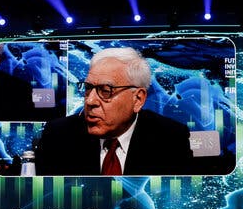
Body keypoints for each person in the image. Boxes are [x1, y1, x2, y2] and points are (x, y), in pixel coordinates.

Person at [35, 47, 193, 176]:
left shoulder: (171, 139)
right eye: (88, 88)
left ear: (138, 99)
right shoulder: (58, 135)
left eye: (105, 91)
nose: (90, 101)